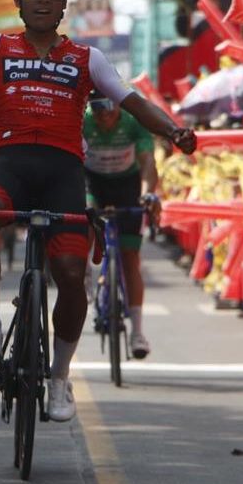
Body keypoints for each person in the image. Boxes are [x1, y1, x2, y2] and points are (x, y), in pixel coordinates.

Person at [0, 0, 196, 422]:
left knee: (70, 271)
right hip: (12, 166)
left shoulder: (89, 58)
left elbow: (133, 103)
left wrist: (173, 130)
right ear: (19, 1)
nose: (42, 0)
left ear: (64, 2)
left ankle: (60, 379)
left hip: (64, 173)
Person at [82, 91, 160, 359]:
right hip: (93, 183)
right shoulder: (83, 121)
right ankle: (85, 275)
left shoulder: (132, 120)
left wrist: (149, 193)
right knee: (85, 219)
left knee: (130, 259)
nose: (105, 115)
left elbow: (148, 161)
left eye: (110, 108)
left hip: (127, 185)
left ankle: (138, 332)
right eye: (98, 109)